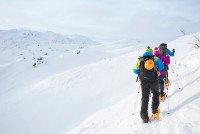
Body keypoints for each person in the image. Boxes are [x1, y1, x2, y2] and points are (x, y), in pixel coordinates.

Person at [133, 46, 164, 123]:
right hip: (154, 81)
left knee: (145, 98)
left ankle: (144, 116)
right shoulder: (155, 58)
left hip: (144, 82)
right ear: (151, 52)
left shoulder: (140, 60)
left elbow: (135, 71)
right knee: (156, 94)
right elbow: (162, 67)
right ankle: (155, 110)